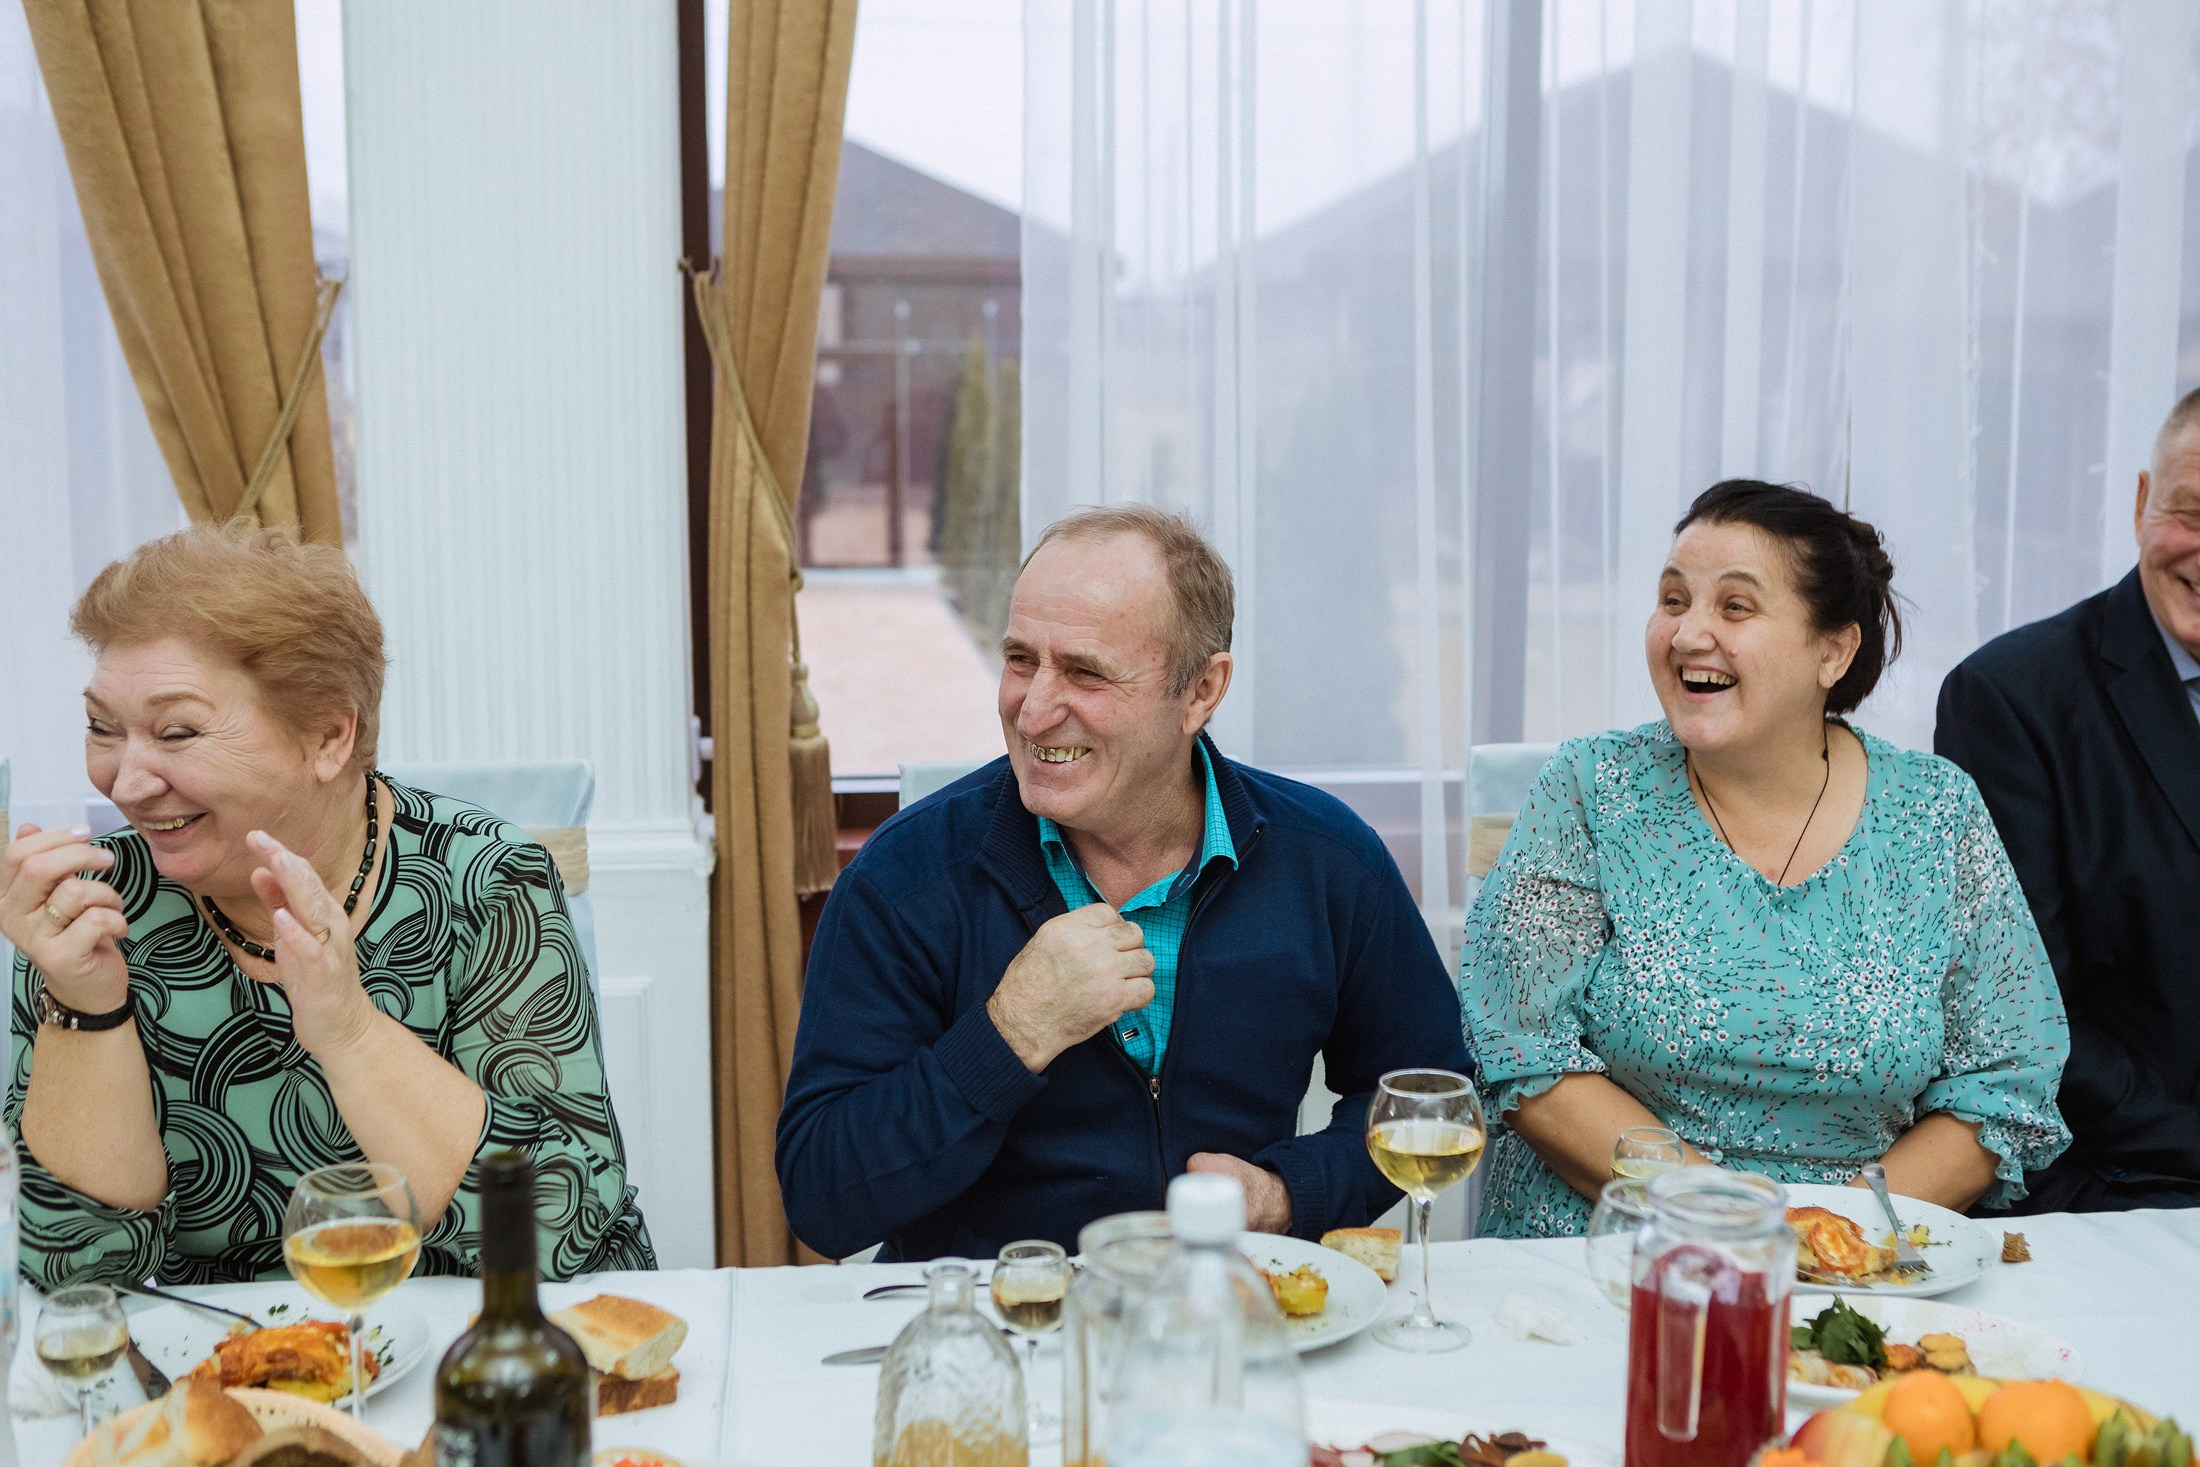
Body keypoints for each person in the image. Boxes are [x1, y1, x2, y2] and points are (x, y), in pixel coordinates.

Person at [776, 505, 1472, 1261]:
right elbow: (823, 1195)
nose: (1033, 709)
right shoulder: (904, 877)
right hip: (1000, 1328)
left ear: (1202, 691)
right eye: (1018, 659)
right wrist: (1011, 1032)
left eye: (1084, 672)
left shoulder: (1328, 860)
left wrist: (1287, 1191)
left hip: (1229, 1317)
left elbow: (1430, 1093)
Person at [0, 527, 651, 1287]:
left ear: (329, 736)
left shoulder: (489, 881)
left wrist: (350, 1030)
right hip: (234, 1368)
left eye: (177, 731)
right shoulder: (96, 911)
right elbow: (75, 1274)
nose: (129, 781)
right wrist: (88, 1004)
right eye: (103, 728)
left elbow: (558, 1227)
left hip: (496, 1347)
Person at [1461, 480, 2070, 1238]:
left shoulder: (1936, 810)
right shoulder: (1589, 790)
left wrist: (1829, 1232)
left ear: (1834, 649)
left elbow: (2003, 1082)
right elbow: (1525, 1051)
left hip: (1860, 1265)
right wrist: (1726, 1215)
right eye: (1674, 599)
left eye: (1735, 606)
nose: (1688, 635)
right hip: (1601, 1260)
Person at [1935, 390, 2200, 1212]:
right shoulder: (2011, 699)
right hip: (2122, 1180)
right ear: (2137, 505)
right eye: (2191, 511)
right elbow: (2026, 1019)